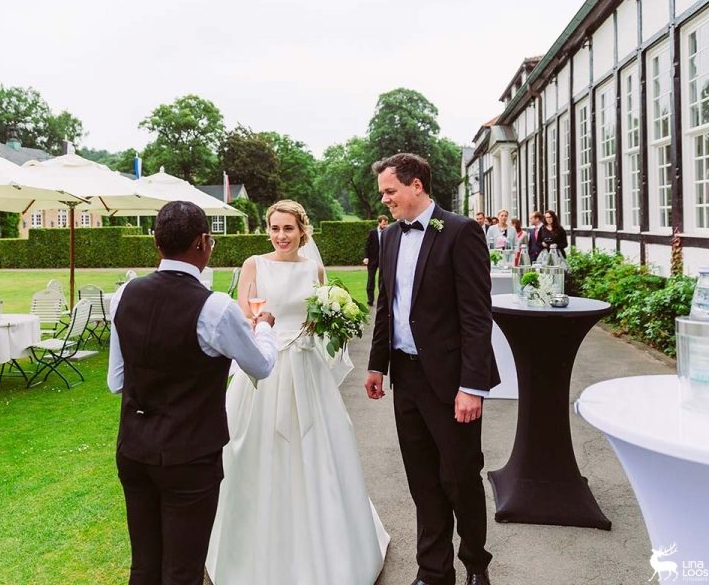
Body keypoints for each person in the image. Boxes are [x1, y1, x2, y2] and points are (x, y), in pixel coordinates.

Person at [207, 200, 389, 585]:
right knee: (253, 451)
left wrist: (332, 322)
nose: (281, 236)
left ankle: (331, 550)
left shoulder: (313, 268)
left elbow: (321, 319)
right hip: (264, 367)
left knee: (317, 448)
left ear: (302, 230)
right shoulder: (254, 264)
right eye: (275, 228)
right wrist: (261, 326)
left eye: (288, 228)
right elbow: (242, 312)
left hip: (305, 368)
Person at [107, 201, 279, 585]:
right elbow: (262, 366)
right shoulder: (214, 307)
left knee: (144, 565)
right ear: (203, 242)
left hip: (134, 448)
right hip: (189, 454)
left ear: (157, 242)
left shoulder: (124, 295)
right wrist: (264, 327)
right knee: (183, 570)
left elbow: (116, 381)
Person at [365, 153, 498, 585]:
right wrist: (376, 366)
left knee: (459, 478)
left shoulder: (461, 232)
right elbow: (388, 304)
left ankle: (476, 566)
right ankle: (433, 572)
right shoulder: (388, 238)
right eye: (383, 192)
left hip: (452, 381)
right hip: (407, 378)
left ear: (416, 185)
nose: (385, 199)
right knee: (423, 481)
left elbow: (477, 316)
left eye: (390, 191)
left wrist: (472, 386)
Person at [364, 214, 389, 306]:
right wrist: (366, 257)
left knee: (382, 281)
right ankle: (370, 300)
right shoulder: (372, 232)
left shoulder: (388, 232)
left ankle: (382, 301)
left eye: (386, 224)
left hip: (384, 260)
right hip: (372, 260)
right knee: (370, 280)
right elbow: (367, 246)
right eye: (383, 224)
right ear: (379, 223)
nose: (385, 226)